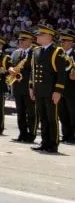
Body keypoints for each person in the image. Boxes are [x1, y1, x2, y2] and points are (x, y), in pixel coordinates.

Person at [30, 24, 68, 154]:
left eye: (41, 35)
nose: (38, 36)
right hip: (39, 90)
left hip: (51, 91)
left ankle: (53, 144)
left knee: (52, 118)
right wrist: (32, 87)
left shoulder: (57, 51)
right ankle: (44, 142)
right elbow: (33, 71)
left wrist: (58, 91)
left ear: (49, 36)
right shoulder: (36, 51)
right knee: (43, 118)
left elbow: (61, 74)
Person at [9, 30, 37, 143]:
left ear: (30, 41)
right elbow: (10, 64)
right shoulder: (16, 53)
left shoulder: (35, 53)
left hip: (29, 88)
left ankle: (31, 134)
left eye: (23, 40)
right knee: (20, 113)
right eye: (20, 40)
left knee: (31, 112)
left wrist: (33, 87)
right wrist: (10, 69)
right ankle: (22, 133)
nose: (20, 41)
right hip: (18, 87)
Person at [58, 29, 75, 144]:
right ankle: (66, 135)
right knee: (62, 113)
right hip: (60, 89)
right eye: (61, 41)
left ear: (70, 42)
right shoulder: (59, 54)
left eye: (64, 41)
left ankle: (73, 136)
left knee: (73, 114)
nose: (62, 43)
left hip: (72, 89)